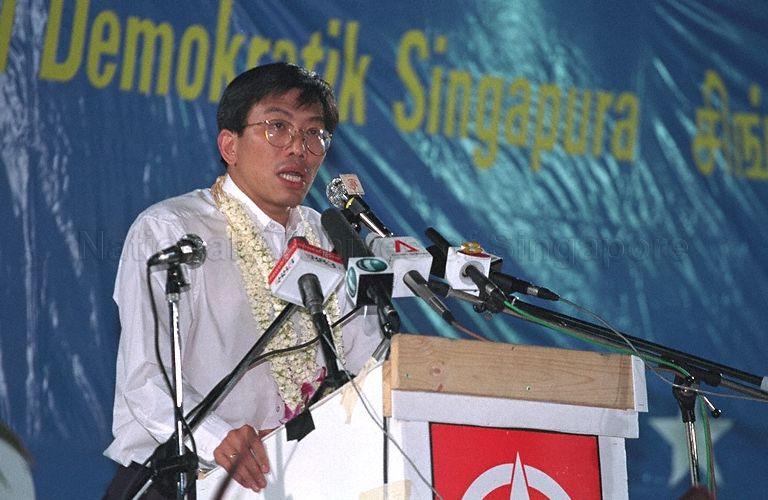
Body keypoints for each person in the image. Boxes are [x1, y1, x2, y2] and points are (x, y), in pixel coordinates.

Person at [103, 62, 382, 497]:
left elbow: (367, 364)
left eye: (315, 134)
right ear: (229, 145)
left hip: (301, 480)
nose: (299, 149)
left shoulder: (331, 236)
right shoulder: (171, 231)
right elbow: (146, 378)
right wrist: (217, 438)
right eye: (278, 127)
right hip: (183, 478)